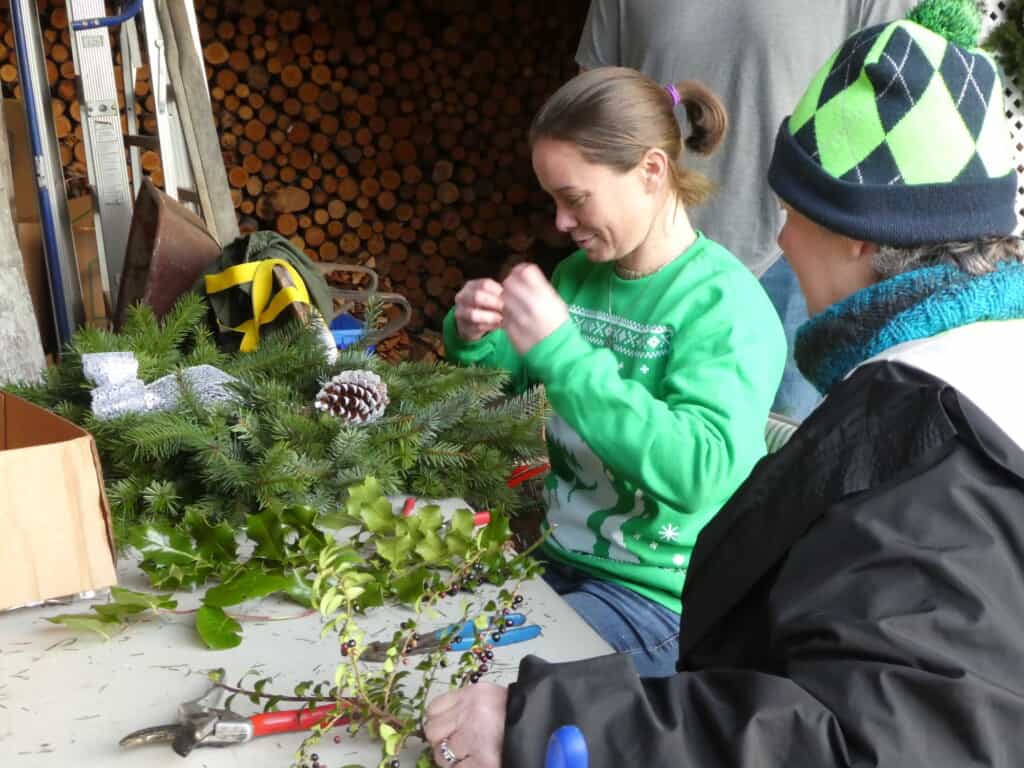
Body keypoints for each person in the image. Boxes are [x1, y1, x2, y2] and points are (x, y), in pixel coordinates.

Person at [424, 3, 1024, 766]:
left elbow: (869, 739)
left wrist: (544, 725)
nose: (778, 239)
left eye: (792, 212)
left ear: (860, 235)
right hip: (583, 570)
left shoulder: (931, 442)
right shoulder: (945, 384)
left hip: (649, 603)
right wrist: (480, 337)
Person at [443, 68, 786, 677]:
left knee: (489, 682)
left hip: (663, 602)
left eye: (574, 199)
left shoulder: (726, 307)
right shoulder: (579, 277)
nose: (560, 224)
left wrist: (561, 353)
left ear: (651, 172)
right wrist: (476, 337)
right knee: (428, 653)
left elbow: (699, 472)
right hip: (558, 561)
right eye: (553, 200)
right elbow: (511, 389)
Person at [576, 0, 916, 420]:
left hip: (793, 260)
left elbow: (896, 113)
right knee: (615, 444)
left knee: (784, 461)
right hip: (643, 257)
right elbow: (590, 110)